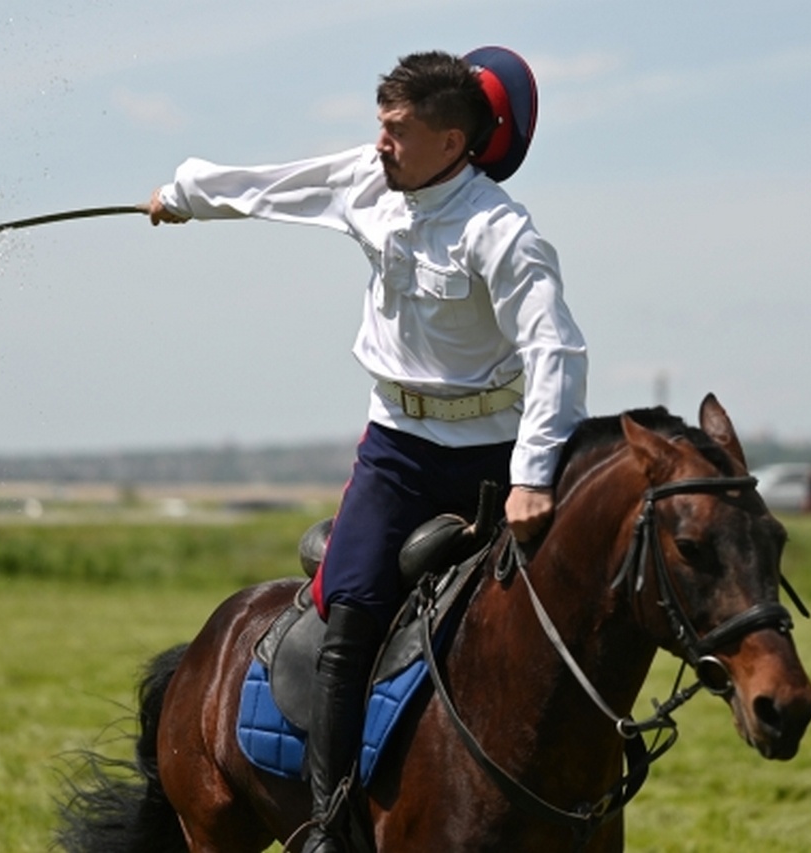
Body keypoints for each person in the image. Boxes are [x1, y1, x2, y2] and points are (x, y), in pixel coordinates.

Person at [147, 48, 588, 852]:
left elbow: (555, 350)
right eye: (381, 125)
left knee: (560, 615)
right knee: (349, 610)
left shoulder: (504, 234)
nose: (380, 142)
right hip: (397, 452)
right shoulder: (365, 177)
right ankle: (327, 821)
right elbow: (276, 187)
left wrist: (531, 476)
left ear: (451, 142)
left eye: (397, 130)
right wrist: (182, 197)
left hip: (494, 456)